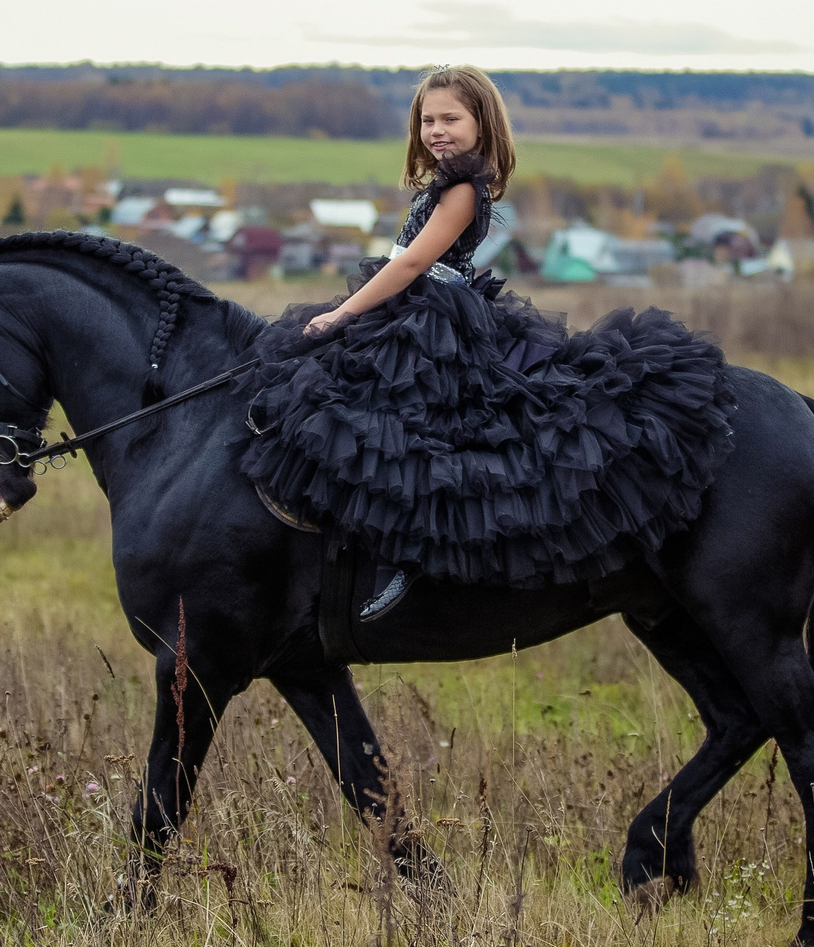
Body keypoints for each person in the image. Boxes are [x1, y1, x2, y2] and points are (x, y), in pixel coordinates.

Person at [237, 65, 736, 614]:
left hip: (435, 322)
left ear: (483, 123)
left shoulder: (464, 192)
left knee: (402, 428)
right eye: (428, 119)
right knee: (337, 393)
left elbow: (413, 263)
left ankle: (404, 552)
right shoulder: (441, 185)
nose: (436, 130)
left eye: (451, 118)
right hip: (413, 309)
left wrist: (342, 312)